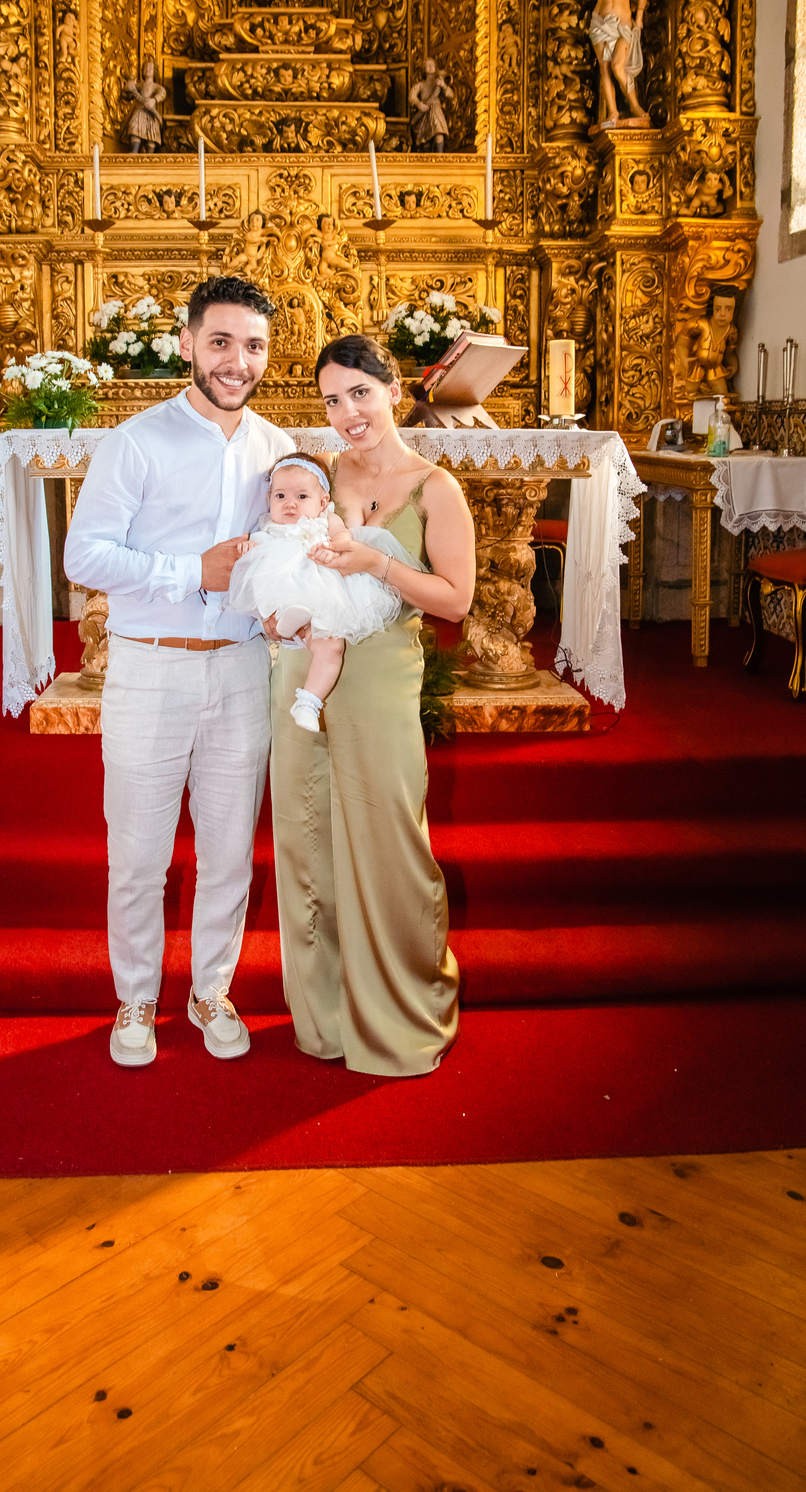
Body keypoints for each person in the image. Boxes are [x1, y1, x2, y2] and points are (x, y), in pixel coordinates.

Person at [63, 276, 293, 1069]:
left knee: (229, 852)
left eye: (253, 346)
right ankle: (135, 996)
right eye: (221, 342)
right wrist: (191, 570)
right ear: (188, 343)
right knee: (138, 854)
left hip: (241, 669)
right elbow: (84, 556)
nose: (237, 361)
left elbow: (281, 557)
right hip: (150, 668)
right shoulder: (136, 442)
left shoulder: (277, 451)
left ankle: (210, 991)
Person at [268, 334, 476, 1077]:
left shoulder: (434, 487)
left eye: (360, 393)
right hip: (302, 675)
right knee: (306, 839)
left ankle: (400, 1015)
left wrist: (378, 562)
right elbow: (279, 551)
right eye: (333, 400)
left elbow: (456, 600)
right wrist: (276, 611)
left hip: (382, 678)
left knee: (389, 843)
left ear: (394, 390)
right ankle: (325, 1017)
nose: (348, 412)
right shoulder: (317, 474)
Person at [227, 454, 407, 732]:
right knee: (281, 601)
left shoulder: (327, 519)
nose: (290, 504)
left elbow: (343, 538)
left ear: (322, 502)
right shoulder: (269, 527)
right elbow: (255, 558)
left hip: (323, 594)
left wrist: (332, 549)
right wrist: (248, 547)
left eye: (301, 496)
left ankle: (309, 701)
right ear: (269, 499)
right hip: (283, 592)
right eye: (280, 496)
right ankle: (287, 619)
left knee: (332, 645)